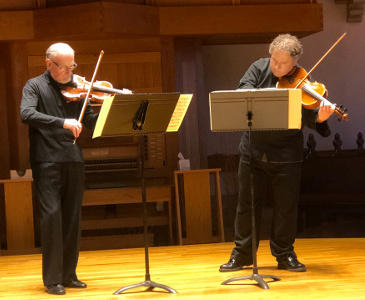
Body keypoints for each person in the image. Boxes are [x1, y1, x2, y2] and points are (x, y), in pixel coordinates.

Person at [219, 34, 335, 273]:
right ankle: (242, 255)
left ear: (294, 63)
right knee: (246, 206)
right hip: (253, 150)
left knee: (286, 207)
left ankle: (284, 255)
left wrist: (320, 118)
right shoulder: (258, 68)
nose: (276, 66)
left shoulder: (303, 79)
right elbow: (243, 92)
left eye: (283, 64)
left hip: (286, 154)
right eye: (274, 60)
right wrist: (271, 93)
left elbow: (308, 115)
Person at [20, 43, 98, 295]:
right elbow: (27, 114)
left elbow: (90, 120)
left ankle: (69, 274)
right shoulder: (34, 86)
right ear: (48, 64)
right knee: (52, 216)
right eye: (64, 67)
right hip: (46, 159)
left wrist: (110, 110)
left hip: (73, 157)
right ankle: (52, 279)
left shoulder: (77, 88)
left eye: (72, 65)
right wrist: (62, 122)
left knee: (72, 216)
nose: (69, 72)